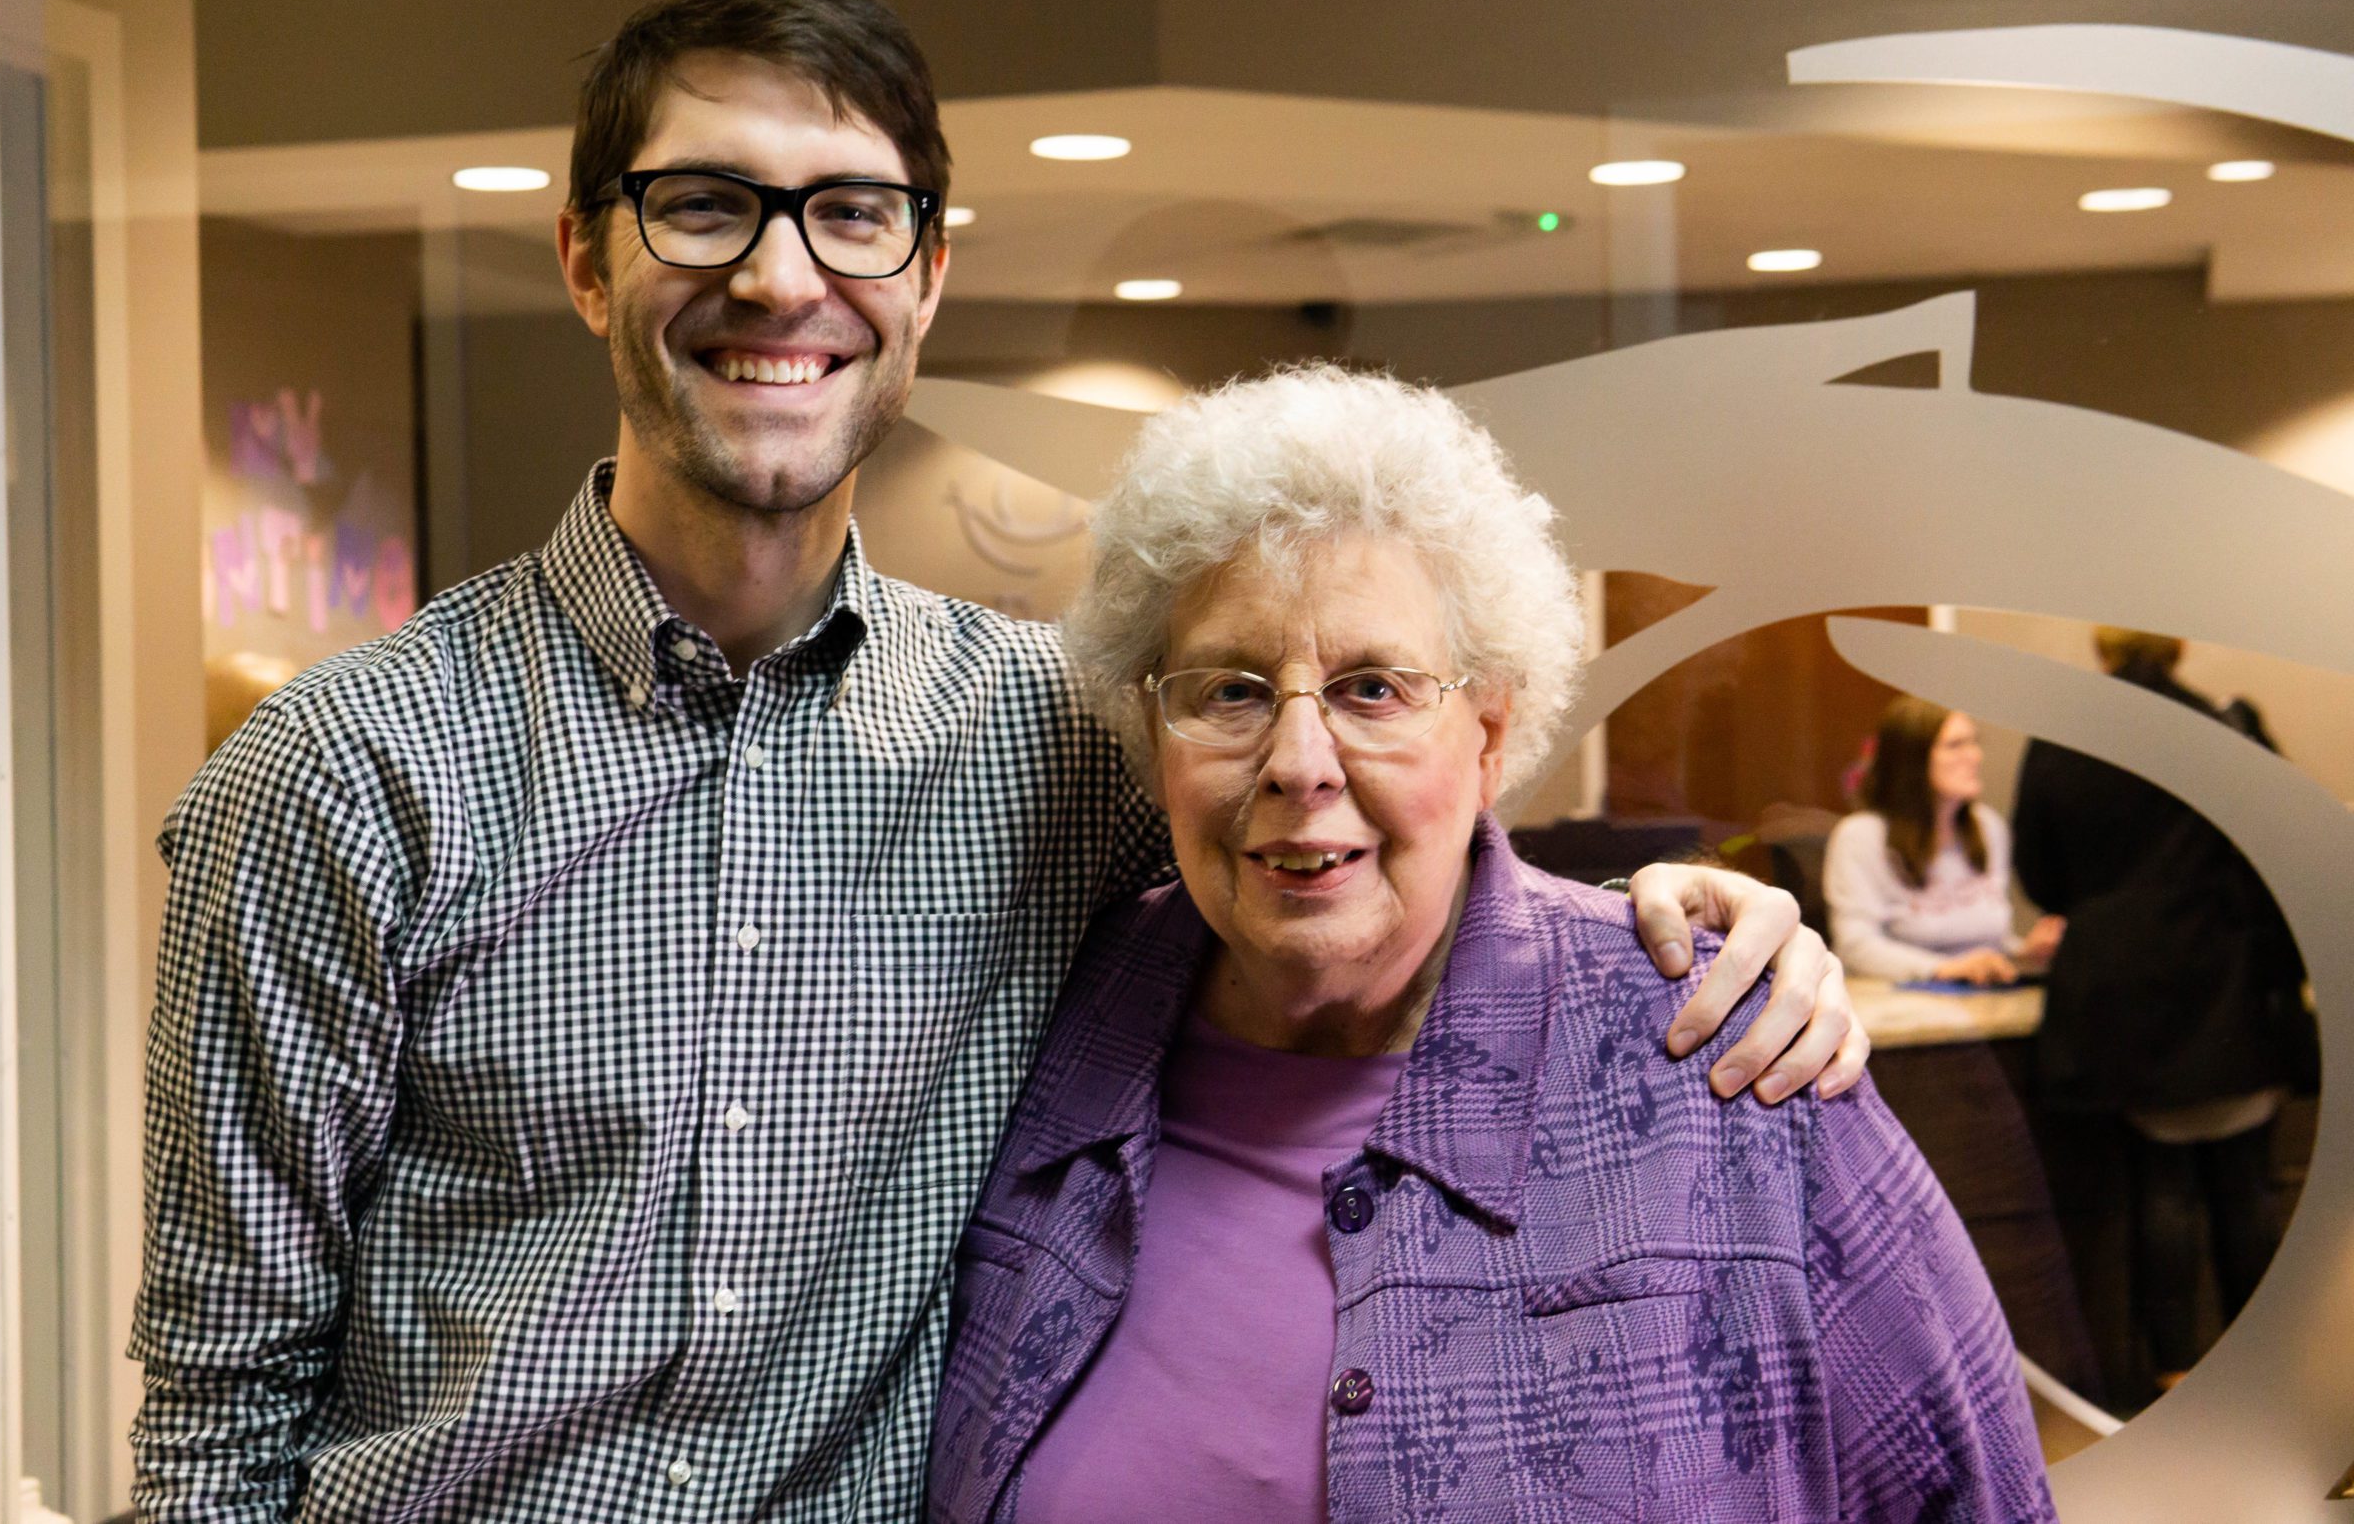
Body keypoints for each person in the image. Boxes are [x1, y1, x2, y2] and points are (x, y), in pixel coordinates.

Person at [127, 0, 1865, 1520]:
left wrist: (1694, 912)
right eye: (706, 204)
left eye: (852, 214)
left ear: (929, 277)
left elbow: (1349, 844)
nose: (780, 271)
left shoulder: (1057, 740)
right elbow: (219, 1423)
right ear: (589, 258)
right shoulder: (343, 774)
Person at [929, 366, 2048, 1523]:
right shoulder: (1043, 1027)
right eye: (1230, 691)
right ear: (1150, 729)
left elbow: (1975, 1495)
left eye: (1372, 688)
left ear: (1490, 730)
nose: (1299, 762)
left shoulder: (1722, 1062)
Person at [2015, 628, 2314, 1389]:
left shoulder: (2062, 738)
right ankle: (2267, 1371)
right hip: (2226, 981)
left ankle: (2173, 1374)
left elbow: (2040, 874)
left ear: (2102, 643)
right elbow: (2284, 843)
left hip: (2123, 995)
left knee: (2162, 1186)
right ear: (2177, 637)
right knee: (2247, 1183)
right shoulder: (2223, 729)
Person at [1822, 697, 2065, 986]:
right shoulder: (1861, 837)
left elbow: (1989, 940)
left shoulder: (1988, 827)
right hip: (1899, 1009)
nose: (1974, 756)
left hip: (1978, 1002)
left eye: (1973, 742)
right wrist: (1944, 968)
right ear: (1911, 759)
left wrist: (2023, 953)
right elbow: (1855, 946)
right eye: (1955, 745)